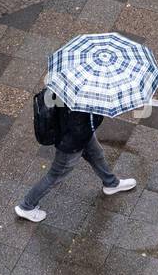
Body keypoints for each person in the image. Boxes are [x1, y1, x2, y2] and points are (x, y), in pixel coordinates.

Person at [15, 93, 136, 222]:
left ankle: (111, 183)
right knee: (55, 176)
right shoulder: (82, 104)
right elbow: (82, 126)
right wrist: (97, 111)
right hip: (72, 142)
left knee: (96, 154)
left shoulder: (72, 89)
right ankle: (26, 206)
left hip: (77, 133)